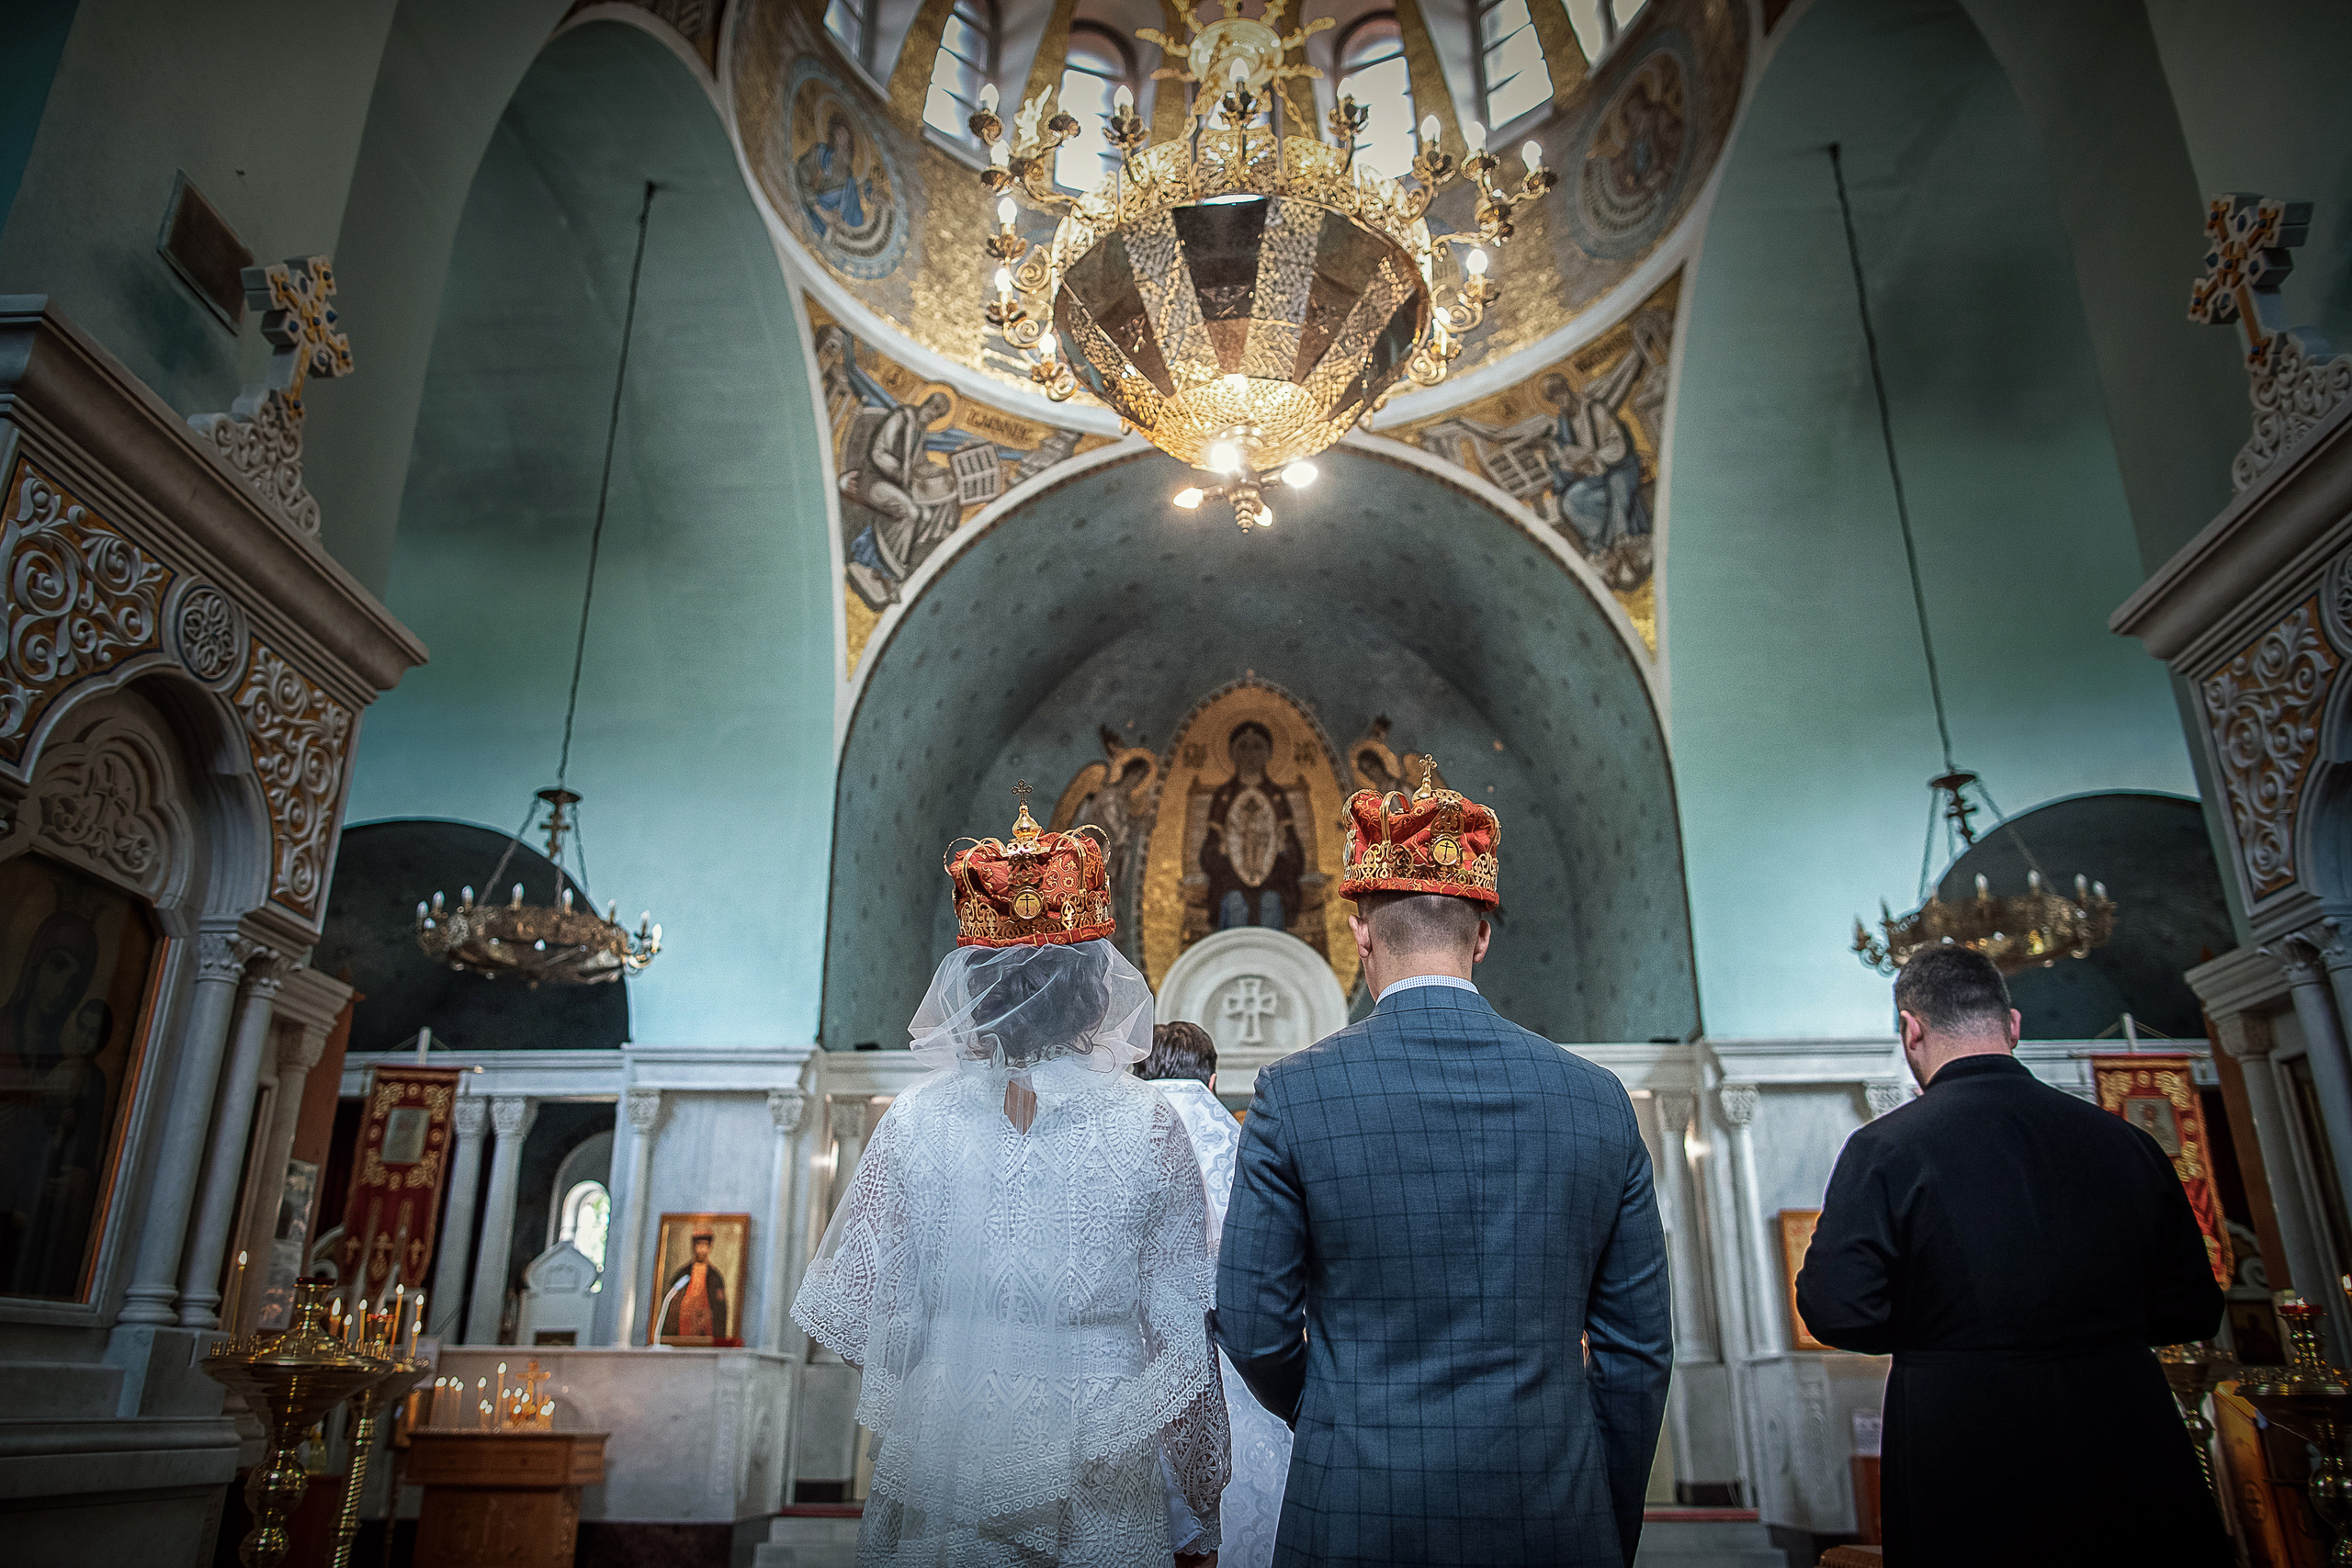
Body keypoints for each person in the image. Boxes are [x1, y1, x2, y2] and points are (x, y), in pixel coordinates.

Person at [1216, 773, 1671, 1566]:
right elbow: (1638, 1353)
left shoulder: (1294, 1093)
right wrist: (1606, 1514)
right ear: (1483, 933)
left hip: (1357, 1503)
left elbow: (1253, 1326)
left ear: (1359, 932)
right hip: (1552, 1510)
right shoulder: (1596, 1100)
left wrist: (1335, 1411)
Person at [793, 797, 1229, 1566]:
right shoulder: (1150, 1124)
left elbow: (868, 1315)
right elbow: (1181, 1336)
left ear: (978, 990)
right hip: (1102, 1450)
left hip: (945, 1454)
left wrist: (959, 1370)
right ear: (1096, 983)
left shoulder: (913, 1122)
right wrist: (1201, 1493)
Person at [1794, 946, 2229, 1566]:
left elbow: (1838, 1310)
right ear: (2014, 1025)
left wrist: (1948, 1333)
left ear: (1910, 1028)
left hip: (1965, 1436)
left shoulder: (1885, 1148)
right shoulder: (2126, 1141)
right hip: (2127, 1423)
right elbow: (2192, 1304)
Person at [1141, 1021, 1293, 1568]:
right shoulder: (1243, 1144)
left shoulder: (1114, 1135)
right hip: (1233, 1356)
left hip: (1129, 1365)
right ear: (1211, 1081)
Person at [660, 1232, 729, 1341]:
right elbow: (672, 1301)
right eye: (699, 1244)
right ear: (694, 1246)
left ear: (709, 1248)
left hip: (705, 1321)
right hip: (685, 1319)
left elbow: (720, 1307)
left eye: (705, 1245)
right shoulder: (683, 1273)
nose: (701, 1249)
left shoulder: (715, 1277)